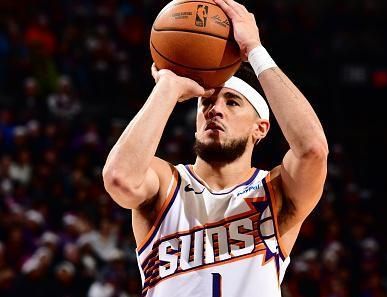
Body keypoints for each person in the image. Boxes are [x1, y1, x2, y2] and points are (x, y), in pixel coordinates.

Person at [102, 0, 328, 296]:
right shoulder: (165, 183)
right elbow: (119, 177)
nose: (215, 110)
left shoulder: (276, 191)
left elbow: (313, 149)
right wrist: (167, 86)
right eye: (206, 103)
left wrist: (255, 53)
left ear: (260, 128)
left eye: (231, 103)